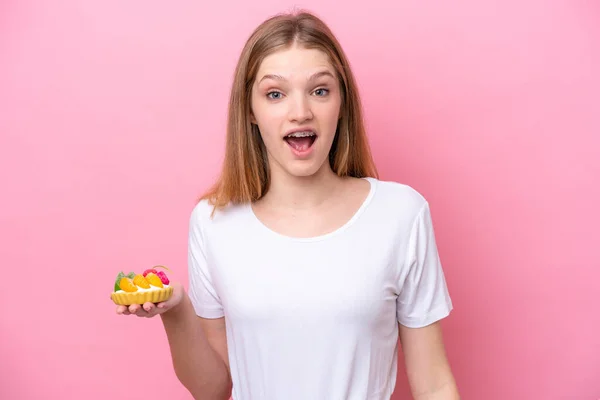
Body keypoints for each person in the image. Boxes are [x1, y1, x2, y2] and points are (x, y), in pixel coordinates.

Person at [116, 9, 460, 400]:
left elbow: (434, 385)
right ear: (250, 110)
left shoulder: (401, 214)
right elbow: (212, 389)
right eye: (275, 94)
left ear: (342, 103)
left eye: (320, 90)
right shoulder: (214, 223)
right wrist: (176, 310)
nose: (300, 111)